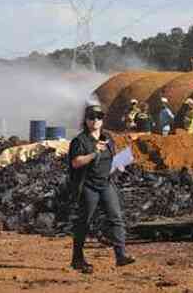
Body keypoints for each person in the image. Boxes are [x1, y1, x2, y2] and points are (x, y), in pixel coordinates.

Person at [68, 105, 135, 274]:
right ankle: (77, 259)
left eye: (98, 117)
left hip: (106, 183)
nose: (95, 120)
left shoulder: (108, 139)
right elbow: (75, 162)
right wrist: (94, 153)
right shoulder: (80, 141)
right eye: (91, 117)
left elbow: (110, 160)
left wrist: (119, 165)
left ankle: (120, 255)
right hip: (88, 186)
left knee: (116, 218)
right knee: (85, 221)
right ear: (86, 120)